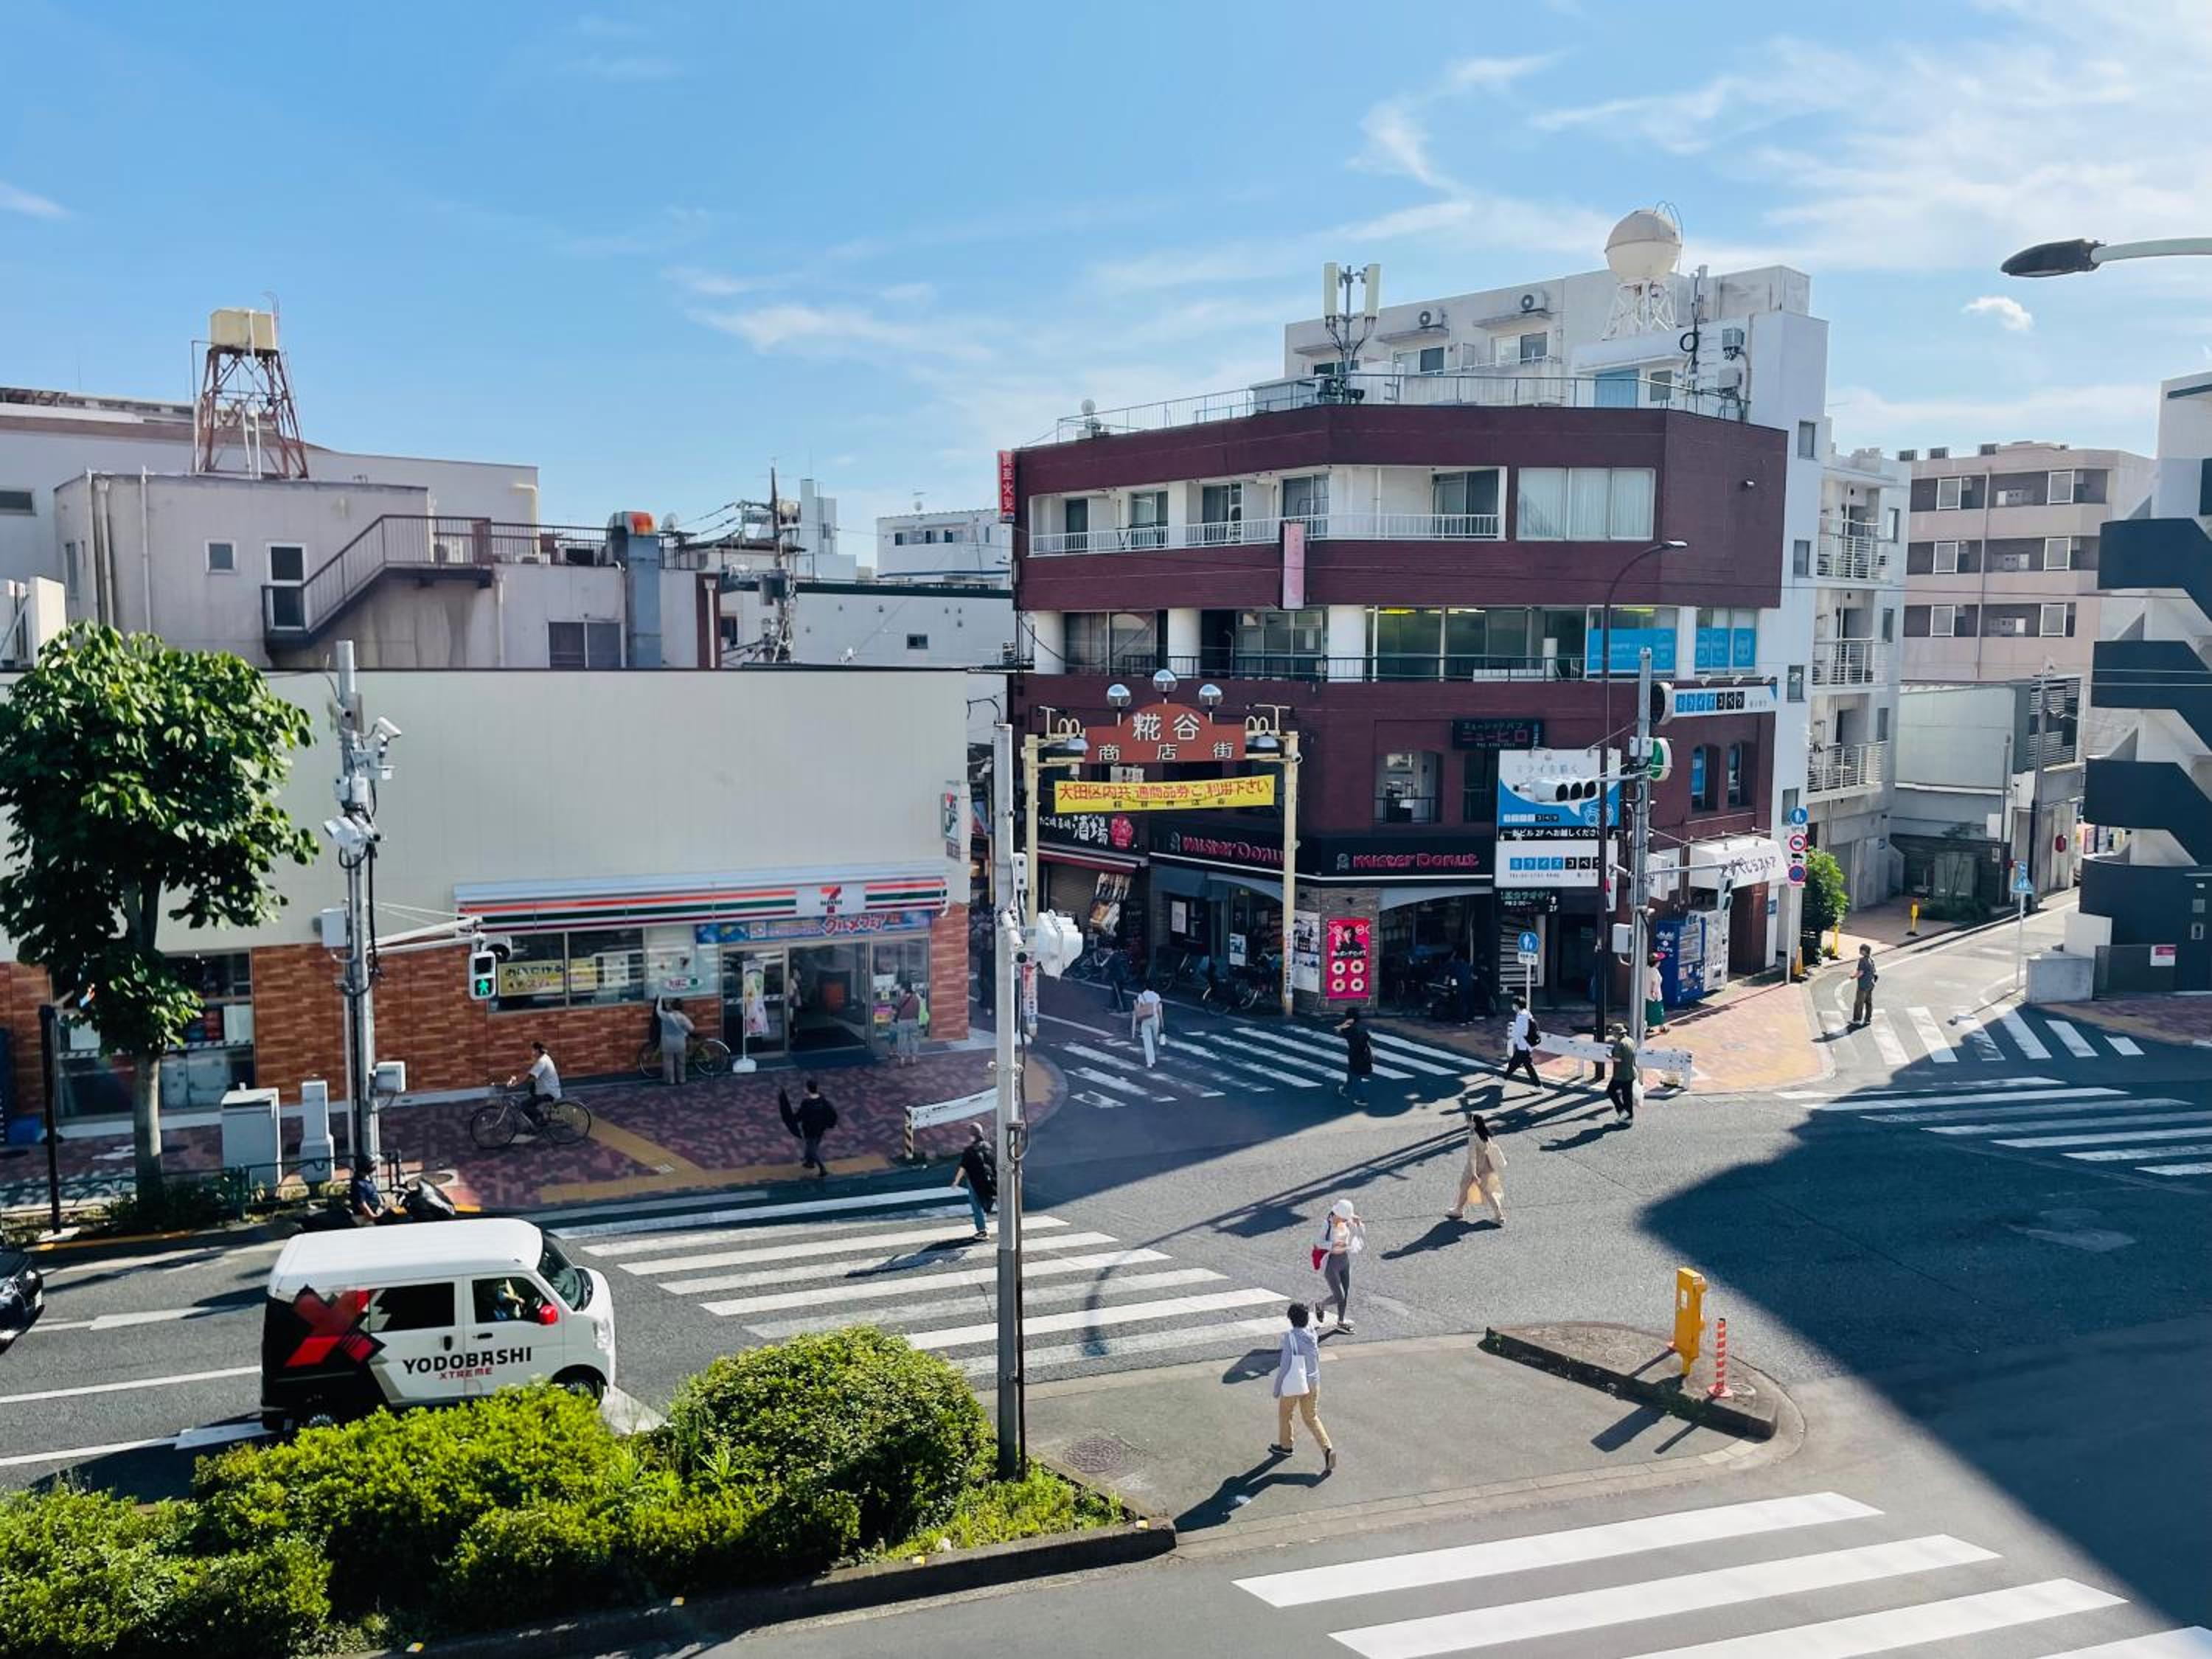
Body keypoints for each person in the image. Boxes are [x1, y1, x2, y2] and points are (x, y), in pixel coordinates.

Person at [1267, 1302, 1335, 1473]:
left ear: (1291, 1320)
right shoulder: (1312, 1332)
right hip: (1313, 1381)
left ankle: (1286, 1446)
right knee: (1311, 1417)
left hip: (1295, 1383)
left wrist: (1277, 1389)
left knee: (1285, 1414)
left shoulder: (1291, 1338)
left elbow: (1284, 1366)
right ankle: (1327, 1449)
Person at [1446, 1111, 1507, 1226]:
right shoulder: (1485, 1134)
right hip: (1486, 1166)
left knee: (1464, 1186)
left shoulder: (1473, 1137)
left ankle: (1458, 1210)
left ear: (1473, 1123)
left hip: (1473, 1168)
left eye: (1469, 1122)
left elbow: (1472, 1156)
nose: (1468, 1124)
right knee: (1488, 1192)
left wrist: (1474, 1173)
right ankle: (1499, 1215)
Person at [1315, 1197, 1364, 1333]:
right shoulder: (1327, 1225)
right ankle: (1321, 1305)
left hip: (1344, 1260)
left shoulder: (1347, 1220)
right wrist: (1332, 1245)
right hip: (1331, 1264)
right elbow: (1318, 1242)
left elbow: (1359, 1234)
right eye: (1344, 1218)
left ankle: (1341, 1322)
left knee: (1345, 1293)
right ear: (1337, 1214)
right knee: (1339, 1296)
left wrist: (1358, 1224)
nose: (1345, 1220)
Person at [950, 1121, 996, 1241]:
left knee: (977, 1205)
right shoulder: (988, 1146)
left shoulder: (969, 1150)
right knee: (986, 1201)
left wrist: (956, 1182)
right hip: (988, 1180)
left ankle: (982, 1231)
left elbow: (963, 1168)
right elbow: (993, 1163)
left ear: (971, 1136)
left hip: (974, 1182)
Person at [505, 1040, 560, 1132]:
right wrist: (518, 1079)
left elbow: (530, 1076)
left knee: (524, 1106)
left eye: (533, 1050)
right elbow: (530, 1072)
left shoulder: (542, 1061)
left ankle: (540, 1120)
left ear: (537, 1050)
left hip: (548, 1092)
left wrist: (516, 1084)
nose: (532, 1052)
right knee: (531, 1096)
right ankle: (535, 1122)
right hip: (548, 1089)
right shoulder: (544, 1058)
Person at [796, 1078, 838, 1177]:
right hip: (820, 1128)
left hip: (810, 1129)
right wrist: (830, 1124)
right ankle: (809, 1162)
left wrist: (792, 1120)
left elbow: (800, 1115)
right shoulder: (823, 1101)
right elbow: (833, 1113)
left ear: (807, 1089)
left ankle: (822, 1168)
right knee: (813, 1145)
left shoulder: (806, 1103)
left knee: (811, 1149)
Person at [1502, 995, 1543, 1088]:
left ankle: (1503, 1079)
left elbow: (1520, 1032)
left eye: (1513, 1004)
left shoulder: (1521, 1017)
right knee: (1527, 1066)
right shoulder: (1526, 1013)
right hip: (1527, 1045)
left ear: (1517, 1005)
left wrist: (1512, 1041)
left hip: (1524, 1045)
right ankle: (1539, 1087)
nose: (1512, 1006)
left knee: (1514, 1064)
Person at [655, 997, 695, 1087]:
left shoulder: (666, 1016)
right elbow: (692, 1028)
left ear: (672, 1006)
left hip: (667, 1043)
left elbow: (658, 1011)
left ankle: (671, 1080)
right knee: (681, 1062)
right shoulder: (683, 1017)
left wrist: (660, 999)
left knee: (668, 1062)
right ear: (681, 1007)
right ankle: (682, 1079)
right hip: (680, 1043)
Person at [1335, 1010, 1374, 1102]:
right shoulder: (1362, 1028)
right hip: (1364, 1054)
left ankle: (1363, 1099)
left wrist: (1346, 1023)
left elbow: (1338, 1030)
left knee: (1356, 1077)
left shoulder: (1349, 1030)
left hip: (1355, 1056)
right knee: (1351, 1073)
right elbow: (1368, 1041)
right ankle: (1345, 1090)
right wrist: (1372, 1053)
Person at [1607, 1022, 1639, 1124]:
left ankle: (1622, 1112)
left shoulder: (1619, 1044)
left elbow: (1618, 1059)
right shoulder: (1630, 1040)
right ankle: (1629, 1118)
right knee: (1627, 1096)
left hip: (1620, 1074)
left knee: (1611, 1091)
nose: (1612, 1034)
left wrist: (1609, 1057)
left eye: (1613, 1032)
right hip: (1631, 1071)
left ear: (1616, 1033)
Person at [347, 1156, 392, 1225]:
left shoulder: (367, 1178)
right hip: (363, 1217)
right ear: (365, 1166)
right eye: (372, 1164)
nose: (375, 1166)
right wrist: (373, 1217)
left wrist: (384, 1207)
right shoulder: (358, 1183)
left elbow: (373, 1193)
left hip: (374, 1212)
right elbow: (362, 1204)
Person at [1131, 980, 1165, 1068]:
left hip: (1145, 1019)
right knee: (1155, 1038)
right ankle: (1156, 1051)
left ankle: (1150, 1062)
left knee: (1147, 1041)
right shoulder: (1156, 996)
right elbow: (1159, 1010)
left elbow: (1139, 1009)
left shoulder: (1141, 996)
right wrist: (1162, 1023)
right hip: (1155, 1019)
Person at [893, 983, 922, 1067]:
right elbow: (918, 1011)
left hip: (903, 1022)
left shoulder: (901, 999)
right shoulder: (916, 998)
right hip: (914, 1021)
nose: (900, 990)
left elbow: (896, 1010)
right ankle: (914, 1059)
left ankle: (902, 1060)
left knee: (902, 1040)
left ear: (904, 989)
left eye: (901, 989)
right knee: (914, 1040)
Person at [1851, 943, 1879, 1027]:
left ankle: (1857, 1020)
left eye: (1861, 949)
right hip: (1871, 984)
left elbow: (1861, 973)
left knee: (1859, 1002)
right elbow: (1874, 971)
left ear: (1864, 951)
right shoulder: (1871, 959)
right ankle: (1868, 1019)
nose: (1859, 951)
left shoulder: (1862, 960)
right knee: (1868, 1002)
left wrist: (1853, 976)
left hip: (1863, 985)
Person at [1104, 944, 1133, 1014]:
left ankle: (1124, 1009)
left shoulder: (1114, 956)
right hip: (1124, 977)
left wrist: (1104, 977)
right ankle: (1113, 1006)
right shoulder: (1124, 955)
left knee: (1117, 992)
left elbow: (1107, 968)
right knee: (1118, 991)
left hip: (1116, 977)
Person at [1645, 954, 1668, 1036]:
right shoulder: (1654, 971)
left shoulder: (1647, 968)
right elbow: (1655, 983)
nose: (1660, 962)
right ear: (1655, 962)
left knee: (1649, 1012)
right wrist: (1654, 993)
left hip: (1647, 994)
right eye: (1659, 961)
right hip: (1655, 996)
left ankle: (1648, 1027)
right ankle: (1662, 1028)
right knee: (1659, 1012)